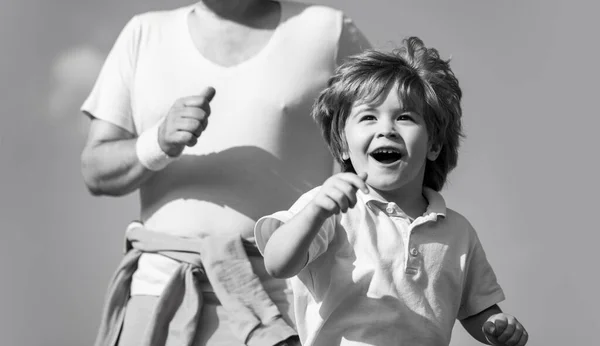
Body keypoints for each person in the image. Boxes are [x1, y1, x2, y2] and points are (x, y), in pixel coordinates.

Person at [80, 0, 370, 345]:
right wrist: (156, 142)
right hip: (157, 298)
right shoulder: (144, 33)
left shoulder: (327, 30)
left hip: (280, 305)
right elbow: (95, 169)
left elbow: (380, 145)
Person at [255, 37, 529, 346]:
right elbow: (278, 263)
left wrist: (497, 326)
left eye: (405, 117)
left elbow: (476, 309)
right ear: (343, 144)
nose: (386, 129)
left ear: (434, 145)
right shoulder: (330, 208)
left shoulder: (458, 232)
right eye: (369, 117)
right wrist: (317, 210)